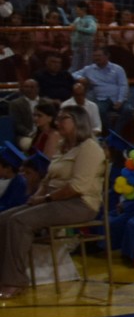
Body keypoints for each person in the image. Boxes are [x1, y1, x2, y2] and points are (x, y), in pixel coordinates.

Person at [0, 108, 105, 297]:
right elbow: (47, 179)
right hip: (52, 200)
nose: (58, 122)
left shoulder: (90, 148)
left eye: (64, 118)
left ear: (78, 122)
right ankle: (3, 274)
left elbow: (76, 187)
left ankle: (14, 281)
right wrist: (36, 197)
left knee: (19, 221)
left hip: (79, 204)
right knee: (4, 218)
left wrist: (45, 198)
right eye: (58, 118)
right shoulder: (62, 146)